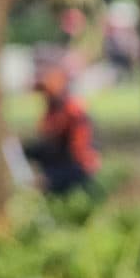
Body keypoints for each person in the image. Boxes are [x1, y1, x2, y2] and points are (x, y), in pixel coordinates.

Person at [22, 59, 100, 196]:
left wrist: (49, 179)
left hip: (76, 169)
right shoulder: (52, 111)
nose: (44, 97)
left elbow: (77, 155)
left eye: (47, 93)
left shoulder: (72, 112)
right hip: (62, 163)